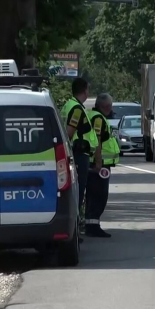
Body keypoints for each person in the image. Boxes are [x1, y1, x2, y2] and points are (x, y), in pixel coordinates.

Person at [60, 78, 101, 237]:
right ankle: (75, 231)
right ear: (84, 90)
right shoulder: (76, 108)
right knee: (79, 192)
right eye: (88, 89)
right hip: (78, 154)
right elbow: (69, 134)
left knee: (78, 192)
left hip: (78, 154)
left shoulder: (70, 105)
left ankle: (75, 228)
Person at [85, 93, 120, 238]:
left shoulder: (93, 115)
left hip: (97, 162)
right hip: (100, 164)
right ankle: (93, 226)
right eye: (108, 106)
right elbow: (97, 140)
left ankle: (90, 224)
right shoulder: (98, 118)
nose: (110, 108)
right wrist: (99, 161)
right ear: (102, 106)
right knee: (99, 195)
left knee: (94, 195)